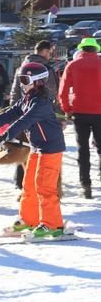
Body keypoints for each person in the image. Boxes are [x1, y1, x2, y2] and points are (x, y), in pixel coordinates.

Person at [0, 62, 67, 238]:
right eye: (21, 80)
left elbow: (24, 121)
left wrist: (5, 136)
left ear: (38, 81)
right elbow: (9, 114)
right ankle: (29, 219)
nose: (22, 83)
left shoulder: (41, 103)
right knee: (29, 184)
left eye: (25, 80)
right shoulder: (26, 99)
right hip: (36, 147)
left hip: (51, 148)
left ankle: (53, 225)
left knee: (44, 187)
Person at [58, 37, 101, 199]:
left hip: (80, 113)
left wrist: (67, 110)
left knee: (83, 150)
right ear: (95, 49)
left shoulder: (72, 65)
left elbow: (62, 92)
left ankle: (86, 186)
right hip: (100, 113)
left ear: (82, 50)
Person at [11, 40, 60, 107]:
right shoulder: (46, 70)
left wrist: (14, 109)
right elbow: (51, 91)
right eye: (50, 53)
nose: (50, 56)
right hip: (42, 110)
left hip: (23, 109)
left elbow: (15, 92)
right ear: (45, 51)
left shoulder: (21, 69)